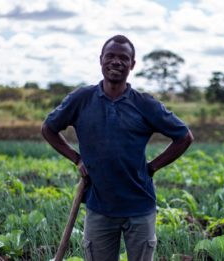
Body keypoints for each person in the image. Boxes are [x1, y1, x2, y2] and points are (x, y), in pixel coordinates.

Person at [41, 34, 194, 261]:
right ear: (101, 59)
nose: (116, 62)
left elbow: (184, 136)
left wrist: (152, 167)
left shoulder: (144, 103)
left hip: (140, 207)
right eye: (110, 56)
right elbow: (49, 129)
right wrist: (76, 158)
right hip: (99, 207)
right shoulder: (82, 99)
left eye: (124, 58)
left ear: (132, 64)